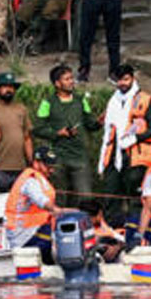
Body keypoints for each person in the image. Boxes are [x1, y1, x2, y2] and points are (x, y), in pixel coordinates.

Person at [98, 63, 151, 224]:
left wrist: (134, 139)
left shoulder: (146, 99)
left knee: (135, 197)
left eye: (126, 79)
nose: (122, 83)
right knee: (111, 194)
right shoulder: (113, 101)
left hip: (136, 156)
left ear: (132, 78)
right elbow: (108, 133)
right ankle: (113, 232)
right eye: (119, 80)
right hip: (114, 154)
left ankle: (136, 232)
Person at [33, 64, 97, 200]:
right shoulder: (48, 103)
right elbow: (38, 129)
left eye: (71, 78)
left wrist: (100, 122)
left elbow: (91, 124)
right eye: (67, 79)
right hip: (57, 157)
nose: (71, 81)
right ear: (57, 83)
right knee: (58, 197)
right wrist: (58, 133)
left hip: (80, 157)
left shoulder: (81, 100)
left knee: (85, 197)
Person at [3, 148, 61, 262]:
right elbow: (40, 199)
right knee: (63, 242)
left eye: (53, 167)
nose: (51, 170)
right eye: (48, 166)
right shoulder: (30, 181)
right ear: (36, 163)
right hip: (24, 236)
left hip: (35, 231)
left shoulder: (40, 179)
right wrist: (55, 209)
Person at [0, 71, 33, 191]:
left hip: (20, 168)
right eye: (5, 86)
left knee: (18, 205)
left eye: (11, 87)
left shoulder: (21, 108)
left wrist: (31, 162)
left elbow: (27, 138)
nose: (9, 90)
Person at [81, 201, 127, 265]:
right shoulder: (80, 228)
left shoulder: (99, 224)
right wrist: (111, 234)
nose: (101, 218)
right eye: (100, 215)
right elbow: (95, 234)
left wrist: (117, 246)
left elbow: (109, 231)